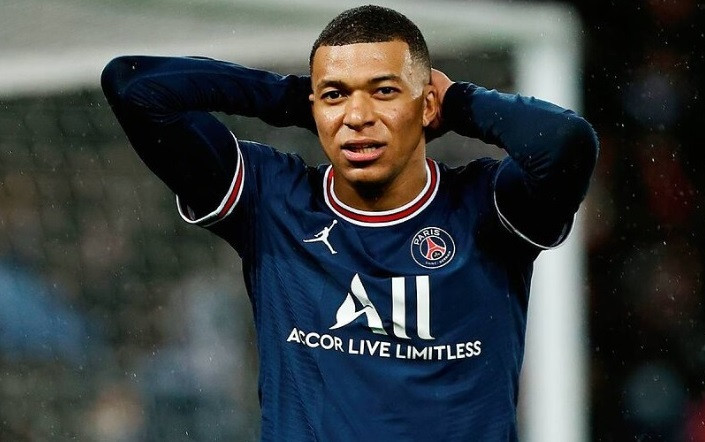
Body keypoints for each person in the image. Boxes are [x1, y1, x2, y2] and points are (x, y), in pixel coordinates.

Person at [101, 4, 598, 441]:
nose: (358, 116)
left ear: (426, 104)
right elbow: (133, 86)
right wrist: (287, 97)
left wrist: (460, 103)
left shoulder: (489, 207)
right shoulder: (271, 199)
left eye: (384, 91)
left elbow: (565, 142)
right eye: (336, 95)